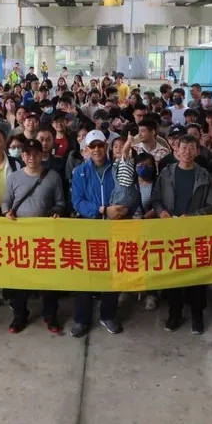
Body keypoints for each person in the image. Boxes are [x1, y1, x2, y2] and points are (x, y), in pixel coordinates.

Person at [151, 134, 212, 334]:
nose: (187, 151)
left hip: (196, 233)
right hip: (171, 232)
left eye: (191, 148)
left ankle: (197, 315)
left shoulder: (205, 176)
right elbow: (156, 199)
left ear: (197, 151)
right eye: (183, 147)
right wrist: (161, 212)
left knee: (197, 277)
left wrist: (193, 216)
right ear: (176, 150)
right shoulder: (166, 173)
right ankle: (175, 313)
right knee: (173, 274)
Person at [3, 138, 66, 334]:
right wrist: (7, 212)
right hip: (20, 237)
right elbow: (6, 201)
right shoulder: (13, 177)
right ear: (23, 156)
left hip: (46, 237)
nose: (32, 157)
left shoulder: (53, 177)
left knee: (49, 279)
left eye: (35, 154)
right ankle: (19, 316)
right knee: (21, 279)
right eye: (28, 154)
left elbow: (61, 202)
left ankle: (50, 315)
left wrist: (57, 210)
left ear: (42, 155)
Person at [69, 130, 122, 337]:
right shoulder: (80, 172)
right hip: (89, 229)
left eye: (100, 145)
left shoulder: (117, 169)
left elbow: (128, 192)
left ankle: (108, 315)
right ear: (87, 150)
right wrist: (101, 210)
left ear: (106, 146)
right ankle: (82, 319)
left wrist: (120, 209)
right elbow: (78, 202)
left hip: (114, 228)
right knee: (86, 274)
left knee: (112, 273)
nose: (97, 150)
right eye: (93, 146)